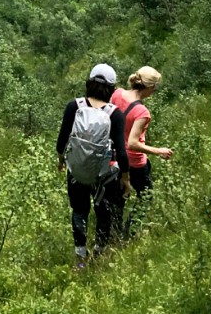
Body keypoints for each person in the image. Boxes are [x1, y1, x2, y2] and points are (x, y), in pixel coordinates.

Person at [56, 62, 133, 265]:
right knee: (103, 213)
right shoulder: (114, 114)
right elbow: (122, 153)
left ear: (88, 83)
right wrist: (125, 178)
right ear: (112, 89)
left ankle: (80, 259)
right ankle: (99, 253)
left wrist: (61, 161)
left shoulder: (74, 106)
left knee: (79, 211)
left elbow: (61, 140)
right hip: (104, 175)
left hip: (77, 171)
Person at [111, 66, 173, 204]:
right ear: (150, 87)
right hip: (134, 162)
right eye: (155, 87)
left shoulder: (117, 94)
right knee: (145, 198)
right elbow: (133, 143)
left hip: (114, 156)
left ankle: (116, 224)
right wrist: (158, 151)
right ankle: (133, 225)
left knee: (118, 197)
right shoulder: (141, 112)